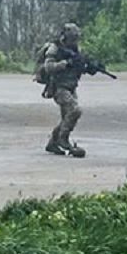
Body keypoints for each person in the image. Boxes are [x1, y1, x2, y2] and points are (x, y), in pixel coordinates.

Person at [34, 22, 88, 158]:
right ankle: (63, 140)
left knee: (67, 117)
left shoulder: (76, 49)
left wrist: (86, 67)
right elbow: (48, 67)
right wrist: (65, 64)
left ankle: (53, 142)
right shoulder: (55, 48)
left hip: (71, 86)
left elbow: (80, 65)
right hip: (58, 87)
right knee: (74, 111)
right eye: (72, 38)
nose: (74, 41)